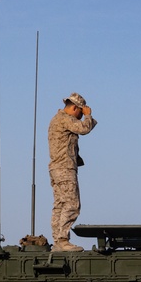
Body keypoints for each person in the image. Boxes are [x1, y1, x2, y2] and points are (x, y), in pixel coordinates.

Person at [48, 92, 97, 252]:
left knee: (60, 205)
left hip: (57, 168)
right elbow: (83, 128)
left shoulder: (57, 119)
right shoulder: (65, 119)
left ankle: (58, 241)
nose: (80, 116)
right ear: (75, 108)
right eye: (80, 112)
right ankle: (62, 240)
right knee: (72, 204)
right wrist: (88, 116)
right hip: (64, 169)